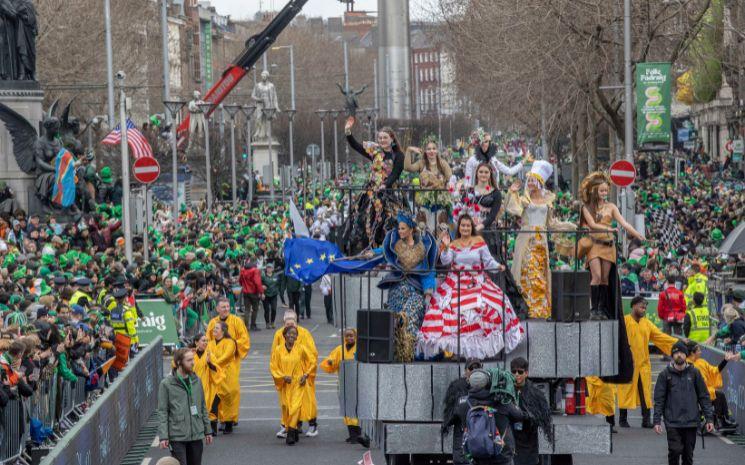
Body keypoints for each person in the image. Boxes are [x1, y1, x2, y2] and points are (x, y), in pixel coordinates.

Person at [419, 214, 524, 360]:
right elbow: (445, 261)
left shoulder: (479, 241)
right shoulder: (454, 244)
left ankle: (477, 353)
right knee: (453, 310)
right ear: (459, 227)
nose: (465, 228)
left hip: (478, 281)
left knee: (497, 302)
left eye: (468, 225)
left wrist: (498, 266)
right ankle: (461, 352)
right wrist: (447, 246)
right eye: (463, 225)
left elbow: (488, 262)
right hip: (456, 282)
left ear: (471, 227)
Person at [580, 172, 645, 320]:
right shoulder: (587, 207)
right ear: (594, 190)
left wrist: (637, 234)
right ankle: (593, 309)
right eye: (601, 190)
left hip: (608, 246)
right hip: (594, 245)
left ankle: (602, 309)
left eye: (606, 190)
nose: (604, 193)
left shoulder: (611, 207)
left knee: (604, 278)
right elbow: (592, 224)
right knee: (595, 276)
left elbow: (624, 223)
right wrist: (609, 229)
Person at [506, 161, 566, 319]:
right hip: (527, 241)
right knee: (528, 273)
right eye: (529, 180)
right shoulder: (524, 200)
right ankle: (527, 308)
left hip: (542, 243)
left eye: (534, 180)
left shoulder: (548, 202)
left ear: (540, 182)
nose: (530, 183)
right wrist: (512, 193)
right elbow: (514, 210)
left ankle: (540, 310)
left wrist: (571, 226)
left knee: (540, 274)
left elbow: (552, 223)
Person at [373, 212, 437, 362]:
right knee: (395, 322)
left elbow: (428, 271)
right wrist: (368, 254)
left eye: (402, 228)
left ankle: (408, 351)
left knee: (410, 316)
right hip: (396, 291)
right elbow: (380, 253)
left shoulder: (422, 248)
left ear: (411, 230)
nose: (399, 231)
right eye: (399, 228)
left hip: (415, 290)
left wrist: (428, 292)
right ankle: (398, 351)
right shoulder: (394, 245)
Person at [342, 117, 407, 254]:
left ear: (392, 139)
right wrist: (348, 132)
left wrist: (385, 185)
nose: (382, 140)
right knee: (366, 222)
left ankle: (389, 252)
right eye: (380, 138)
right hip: (372, 193)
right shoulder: (375, 152)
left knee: (391, 222)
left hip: (390, 193)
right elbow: (356, 146)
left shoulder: (398, 155)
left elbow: (396, 173)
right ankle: (370, 251)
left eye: (385, 137)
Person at [618, 296, 677, 428]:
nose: (643, 309)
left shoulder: (646, 323)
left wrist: (677, 344)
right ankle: (622, 419)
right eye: (641, 306)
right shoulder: (625, 321)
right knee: (626, 390)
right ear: (633, 306)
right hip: (628, 364)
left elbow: (660, 337)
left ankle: (646, 420)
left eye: (645, 307)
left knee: (645, 392)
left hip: (643, 364)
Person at [653, 340, 714, 465]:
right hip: (672, 422)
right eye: (676, 353)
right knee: (675, 451)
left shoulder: (695, 373)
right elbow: (659, 399)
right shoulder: (664, 375)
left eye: (681, 352)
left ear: (686, 355)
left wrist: (709, 419)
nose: (679, 355)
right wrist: (657, 421)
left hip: (691, 422)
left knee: (688, 456)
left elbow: (704, 396)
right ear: (672, 356)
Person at [449, 368, 525, 465]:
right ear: (489, 383)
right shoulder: (502, 402)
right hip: (501, 457)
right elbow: (519, 416)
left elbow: (452, 417)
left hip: (476, 458)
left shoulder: (463, 404)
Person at [157, 348, 213, 465]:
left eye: (192, 359)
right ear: (179, 363)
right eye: (189, 360)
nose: (193, 363)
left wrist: (208, 431)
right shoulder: (166, 384)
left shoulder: (196, 380)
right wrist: (163, 436)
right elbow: (163, 411)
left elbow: (202, 406)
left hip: (196, 434)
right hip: (177, 436)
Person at [205, 298, 250, 432]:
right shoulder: (213, 323)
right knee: (217, 392)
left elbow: (244, 339)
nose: (225, 309)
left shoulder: (237, 321)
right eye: (222, 307)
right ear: (217, 309)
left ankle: (230, 418)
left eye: (227, 307)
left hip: (231, 364)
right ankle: (220, 418)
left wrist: (231, 344)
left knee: (231, 391)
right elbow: (208, 340)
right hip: (215, 365)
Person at [271, 310, 318, 438]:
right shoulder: (278, 334)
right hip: (286, 374)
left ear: (296, 322)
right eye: (287, 324)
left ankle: (313, 425)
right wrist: (280, 375)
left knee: (307, 401)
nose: (290, 327)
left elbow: (312, 354)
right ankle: (291, 426)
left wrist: (306, 372)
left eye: (293, 323)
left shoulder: (305, 333)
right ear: (284, 323)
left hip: (301, 374)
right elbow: (274, 356)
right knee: (287, 402)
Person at [320, 328, 370, 447]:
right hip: (344, 383)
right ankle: (352, 434)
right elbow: (329, 362)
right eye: (347, 336)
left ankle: (356, 434)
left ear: (356, 336)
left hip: (357, 383)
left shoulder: (360, 348)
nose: (349, 338)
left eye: (351, 336)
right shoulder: (339, 350)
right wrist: (331, 363)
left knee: (355, 407)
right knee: (347, 408)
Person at [685, 340, 738, 432]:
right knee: (719, 395)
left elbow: (714, 370)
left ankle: (722, 420)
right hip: (694, 393)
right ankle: (722, 420)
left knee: (719, 395)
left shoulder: (701, 362)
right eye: (698, 350)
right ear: (692, 353)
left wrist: (725, 360)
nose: (700, 352)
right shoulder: (687, 365)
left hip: (704, 391)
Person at [405, 137, 453, 230]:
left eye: (434, 148)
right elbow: (407, 167)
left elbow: (450, 178)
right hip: (425, 203)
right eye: (429, 149)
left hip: (440, 202)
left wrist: (449, 184)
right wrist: (409, 150)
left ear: (437, 150)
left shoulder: (443, 164)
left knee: (441, 229)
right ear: (425, 151)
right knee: (424, 229)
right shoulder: (421, 163)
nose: (432, 151)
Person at [510, 357, 552, 465]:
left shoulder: (535, 393)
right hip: (511, 442)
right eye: (514, 371)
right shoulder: (506, 391)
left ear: (526, 373)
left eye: (520, 372)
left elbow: (543, 417)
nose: (517, 374)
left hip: (528, 443)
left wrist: (524, 416)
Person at [442, 358, 483, 465]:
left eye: (477, 368)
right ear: (466, 371)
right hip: (462, 444)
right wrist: (459, 409)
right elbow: (448, 418)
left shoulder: (487, 387)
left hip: (482, 445)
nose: (474, 371)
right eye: (471, 368)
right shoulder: (457, 387)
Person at [191, 334, 225, 436]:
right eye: (203, 340)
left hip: (208, 386)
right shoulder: (190, 355)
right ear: (196, 342)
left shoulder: (210, 355)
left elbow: (219, 372)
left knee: (210, 406)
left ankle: (212, 428)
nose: (205, 343)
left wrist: (210, 364)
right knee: (194, 408)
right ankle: (195, 428)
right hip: (193, 386)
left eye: (206, 341)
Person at [239, 259, 263, 331]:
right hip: (254, 292)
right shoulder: (255, 270)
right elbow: (257, 282)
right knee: (255, 309)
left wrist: (243, 286)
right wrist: (261, 292)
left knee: (247, 309)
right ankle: (253, 325)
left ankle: (246, 326)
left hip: (245, 291)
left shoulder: (243, 270)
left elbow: (240, 280)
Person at [261, 263, 280, 329]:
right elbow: (259, 284)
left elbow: (279, 284)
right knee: (267, 310)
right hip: (266, 295)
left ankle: (272, 322)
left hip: (274, 295)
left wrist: (278, 291)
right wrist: (262, 291)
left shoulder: (276, 276)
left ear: (272, 269)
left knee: (274, 309)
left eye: (270, 268)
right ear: (266, 269)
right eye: (268, 268)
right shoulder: (263, 276)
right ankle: (267, 323)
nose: (269, 269)